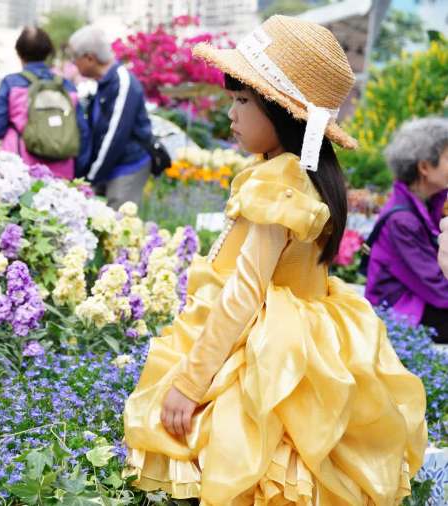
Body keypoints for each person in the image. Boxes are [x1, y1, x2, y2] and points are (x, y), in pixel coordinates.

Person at [123, 16, 427, 505]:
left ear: (284, 113)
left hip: (266, 348)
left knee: (253, 459)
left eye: (243, 101)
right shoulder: (306, 175)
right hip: (307, 339)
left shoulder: (277, 183)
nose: (231, 115)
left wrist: (188, 382)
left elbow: (245, 293)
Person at [365, 117, 448, 343]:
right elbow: (437, 287)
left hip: (422, 299)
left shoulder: (430, 203)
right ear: (424, 167)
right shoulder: (402, 220)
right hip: (402, 312)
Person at [0, 26, 89, 180]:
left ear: (19, 53)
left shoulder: (12, 84)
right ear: (47, 52)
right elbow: (83, 133)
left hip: (19, 173)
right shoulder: (67, 87)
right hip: (61, 173)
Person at [68, 25, 153, 210]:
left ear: (90, 58)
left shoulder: (122, 82)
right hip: (109, 167)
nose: (74, 64)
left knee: (120, 227)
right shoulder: (103, 83)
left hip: (126, 168)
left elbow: (114, 137)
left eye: (75, 59)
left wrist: (89, 178)